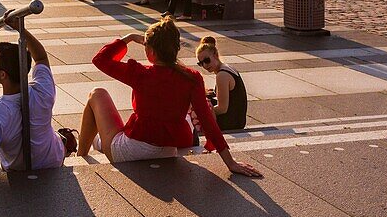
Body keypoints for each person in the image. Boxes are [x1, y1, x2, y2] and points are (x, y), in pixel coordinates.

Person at [77, 18, 261, 176]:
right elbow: (207, 120)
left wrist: (129, 38)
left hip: (132, 150)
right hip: (168, 148)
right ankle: (91, 145)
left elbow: (100, 59)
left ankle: (79, 155)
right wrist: (231, 163)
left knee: (97, 94)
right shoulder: (191, 77)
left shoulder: (140, 73)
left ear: (150, 50)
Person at [0, 23, 70, 177]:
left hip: (18, 171)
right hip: (53, 160)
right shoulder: (43, 90)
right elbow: (41, 57)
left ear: (3, 75)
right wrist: (20, 28)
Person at [196, 36, 247, 132]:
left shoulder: (222, 75)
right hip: (237, 119)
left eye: (207, 60)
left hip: (230, 122)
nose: (205, 65)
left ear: (215, 55)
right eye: (201, 63)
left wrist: (200, 112)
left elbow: (222, 108)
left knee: (196, 107)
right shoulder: (228, 68)